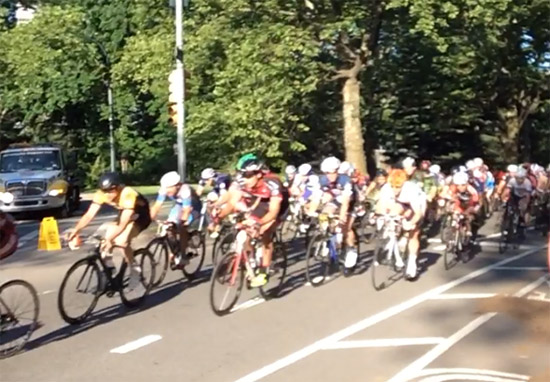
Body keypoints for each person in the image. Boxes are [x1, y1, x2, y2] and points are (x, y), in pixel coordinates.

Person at [67, 173, 151, 288]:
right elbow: (89, 215)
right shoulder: (101, 194)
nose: (108, 195)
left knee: (121, 241)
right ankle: (110, 268)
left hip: (140, 216)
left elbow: (122, 224)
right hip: (125, 213)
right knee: (104, 240)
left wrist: (109, 239)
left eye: (111, 191)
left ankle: (135, 269)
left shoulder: (128, 193)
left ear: (118, 187)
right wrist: (76, 230)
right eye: (105, 191)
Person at [235, 154, 289, 287]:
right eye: (243, 176)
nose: (245, 179)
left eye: (248, 176)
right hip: (261, 202)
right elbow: (236, 200)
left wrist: (260, 224)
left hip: (278, 206)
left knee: (265, 233)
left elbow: (273, 211)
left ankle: (264, 271)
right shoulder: (245, 183)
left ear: (258, 174)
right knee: (246, 231)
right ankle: (252, 260)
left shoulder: (272, 183)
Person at [308, 156, 358, 268]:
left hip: (350, 201)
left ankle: (351, 250)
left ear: (338, 171)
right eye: (327, 173)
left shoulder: (345, 180)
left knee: (346, 227)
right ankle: (329, 239)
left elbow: (345, 202)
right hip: (336, 200)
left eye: (333, 172)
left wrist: (342, 217)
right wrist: (311, 211)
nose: (330, 176)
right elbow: (316, 197)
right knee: (325, 214)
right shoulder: (322, 180)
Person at [377, 169, 427, 279]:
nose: (395, 190)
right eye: (393, 186)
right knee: (393, 213)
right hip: (401, 203)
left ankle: (412, 262)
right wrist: (384, 216)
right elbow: (382, 206)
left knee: (413, 233)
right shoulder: (386, 188)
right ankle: (395, 238)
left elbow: (418, 214)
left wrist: (411, 223)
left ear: (403, 184)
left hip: (416, 205)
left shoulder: (411, 190)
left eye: (398, 187)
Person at [150, 171, 202, 267]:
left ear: (177, 185)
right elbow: (157, 206)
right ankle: (175, 249)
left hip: (193, 207)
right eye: (166, 189)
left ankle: (183, 255)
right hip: (179, 205)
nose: (167, 192)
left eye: (169, 189)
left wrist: (182, 222)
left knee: (181, 227)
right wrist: (149, 219)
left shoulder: (185, 190)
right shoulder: (164, 189)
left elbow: (186, 211)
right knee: (169, 227)